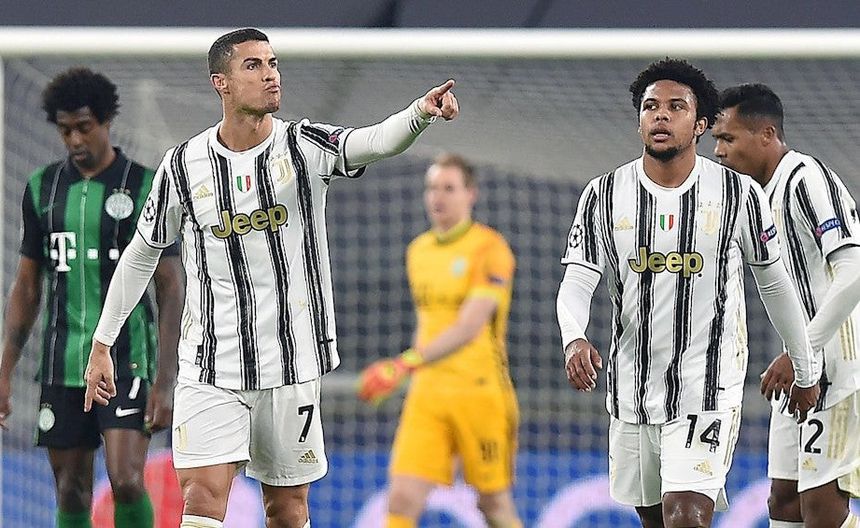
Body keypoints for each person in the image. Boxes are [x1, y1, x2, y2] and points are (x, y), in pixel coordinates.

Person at [82, 28, 459, 528]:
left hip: (291, 363)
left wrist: (419, 114)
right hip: (210, 366)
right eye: (253, 65)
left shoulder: (304, 146)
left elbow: (371, 141)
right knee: (201, 495)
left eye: (273, 63)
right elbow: (141, 254)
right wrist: (103, 342)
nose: (270, 75)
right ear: (221, 82)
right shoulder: (183, 165)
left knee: (286, 509)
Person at [555, 58, 822, 528]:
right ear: (639, 121)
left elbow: (774, 283)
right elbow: (578, 281)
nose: (661, 115)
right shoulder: (603, 194)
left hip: (708, 387)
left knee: (686, 515)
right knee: (656, 519)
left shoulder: (738, 194)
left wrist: (805, 367)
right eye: (651, 106)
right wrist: (574, 337)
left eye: (676, 107)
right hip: (633, 389)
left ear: (700, 125)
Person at [0, 67, 184, 528]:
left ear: (106, 121)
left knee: (126, 479)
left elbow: (170, 285)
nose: (75, 140)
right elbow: (27, 286)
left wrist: (166, 381)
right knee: (70, 489)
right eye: (65, 130)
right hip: (63, 362)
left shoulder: (145, 186)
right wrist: (4, 370)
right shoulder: (42, 188)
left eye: (84, 127)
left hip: (128, 358)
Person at [713, 83, 860, 528]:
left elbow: (854, 269)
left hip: (841, 363)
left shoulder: (805, 179)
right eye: (716, 140)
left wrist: (804, 352)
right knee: (784, 501)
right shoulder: (754, 198)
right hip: (802, 362)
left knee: (820, 505)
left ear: (767, 134)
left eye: (728, 138)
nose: (718, 151)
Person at [356, 154, 522, 527]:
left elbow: (469, 326)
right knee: (401, 498)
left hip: (478, 391)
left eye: (449, 188)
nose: (438, 197)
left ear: (470, 194)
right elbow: (426, 325)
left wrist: (405, 363)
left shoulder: (490, 249)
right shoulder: (419, 251)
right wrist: (411, 373)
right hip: (428, 393)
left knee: (492, 504)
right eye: (432, 188)